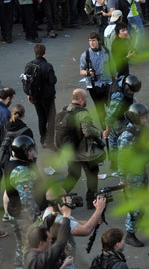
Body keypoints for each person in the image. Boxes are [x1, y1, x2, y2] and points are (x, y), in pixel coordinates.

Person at [60, 89, 105, 205]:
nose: (87, 100)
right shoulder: (83, 114)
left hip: (71, 151)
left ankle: (59, 196)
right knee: (92, 175)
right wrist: (99, 133)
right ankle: (91, 200)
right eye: (86, 98)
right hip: (85, 152)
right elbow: (88, 131)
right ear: (81, 100)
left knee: (73, 175)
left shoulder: (65, 110)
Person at [117, 103, 149, 247]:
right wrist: (122, 180)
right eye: (143, 118)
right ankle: (130, 234)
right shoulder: (127, 136)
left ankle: (137, 223)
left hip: (141, 171)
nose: (145, 120)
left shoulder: (140, 130)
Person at [6, 135, 41, 268]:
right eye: (29, 150)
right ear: (21, 152)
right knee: (28, 248)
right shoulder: (21, 172)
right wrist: (37, 220)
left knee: (22, 247)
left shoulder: (12, 161)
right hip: (23, 216)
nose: (32, 153)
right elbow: (27, 202)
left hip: (15, 212)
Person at [25, 43, 58, 149]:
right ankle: (50, 141)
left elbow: (28, 82)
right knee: (51, 118)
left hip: (35, 97)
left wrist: (29, 94)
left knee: (41, 118)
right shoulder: (48, 66)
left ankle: (43, 140)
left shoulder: (29, 65)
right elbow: (53, 80)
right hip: (47, 97)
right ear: (44, 53)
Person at [24, 202, 73, 269]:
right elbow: (60, 242)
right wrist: (66, 215)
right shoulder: (41, 261)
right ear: (41, 243)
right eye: (49, 239)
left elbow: (44, 226)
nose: (51, 240)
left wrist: (53, 214)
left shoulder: (30, 248)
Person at [79, 32, 113, 128]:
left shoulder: (107, 51)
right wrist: (88, 73)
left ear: (99, 41)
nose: (91, 43)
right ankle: (104, 126)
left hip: (107, 83)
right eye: (90, 41)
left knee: (110, 104)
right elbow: (81, 71)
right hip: (93, 85)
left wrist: (115, 79)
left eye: (93, 40)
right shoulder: (85, 55)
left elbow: (113, 67)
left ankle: (112, 124)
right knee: (99, 108)